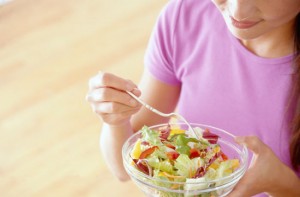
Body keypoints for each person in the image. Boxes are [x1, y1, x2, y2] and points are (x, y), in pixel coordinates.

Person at [86, 0, 300, 196]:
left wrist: (282, 183)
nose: (238, 11)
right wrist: (116, 121)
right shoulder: (186, 18)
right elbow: (124, 169)